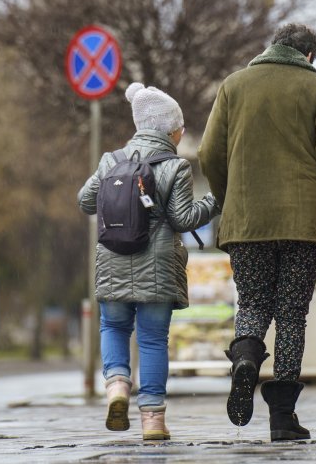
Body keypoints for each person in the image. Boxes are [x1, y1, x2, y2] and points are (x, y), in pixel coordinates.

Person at [198, 23, 316, 441]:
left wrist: (230, 196)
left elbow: (209, 152)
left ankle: (247, 356)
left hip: (247, 219)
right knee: (291, 314)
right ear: (308, 56)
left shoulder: (234, 85)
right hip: (303, 223)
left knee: (252, 302)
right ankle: (283, 418)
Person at [78, 82, 220, 440]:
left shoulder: (111, 160)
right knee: (153, 339)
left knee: (113, 328)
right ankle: (153, 421)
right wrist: (215, 201)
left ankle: (117, 388)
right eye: (179, 127)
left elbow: (85, 201)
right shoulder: (176, 167)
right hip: (156, 267)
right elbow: (183, 219)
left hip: (112, 260)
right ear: (171, 130)